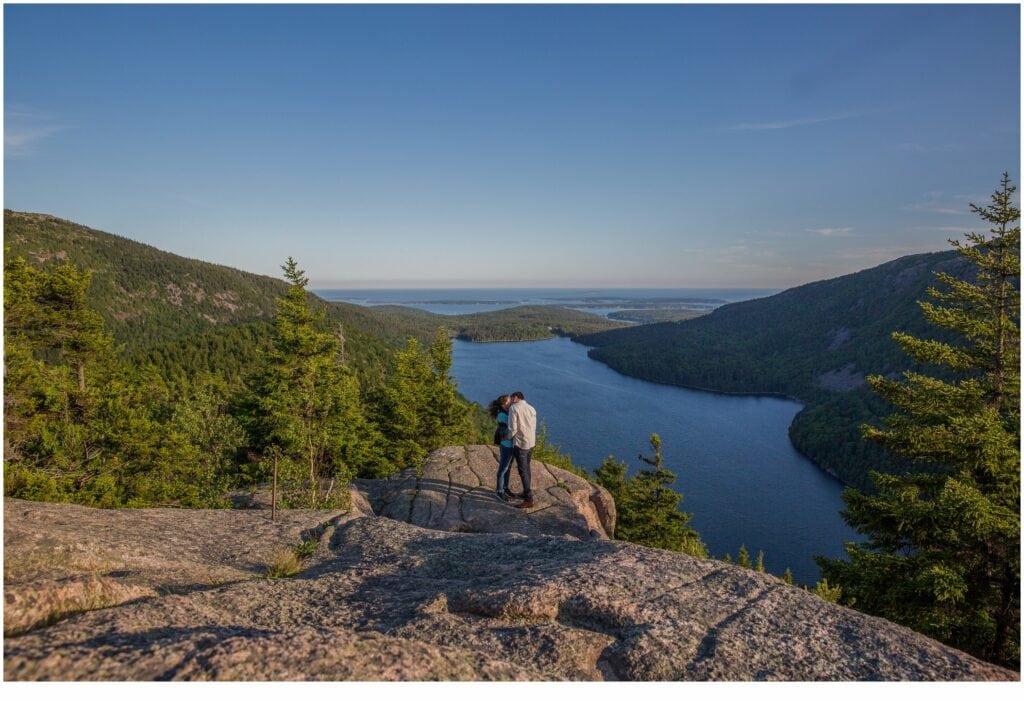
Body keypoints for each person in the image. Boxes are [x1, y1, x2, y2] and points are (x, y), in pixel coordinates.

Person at [507, 390, 537, 509]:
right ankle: (526, 492)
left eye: (511, 398)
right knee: (527, 468)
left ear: (516, 397)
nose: (510, 401)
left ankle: (528, 499)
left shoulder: (514, 408)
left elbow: (512, 427)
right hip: (531, 442)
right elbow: (533, 426)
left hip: (520, 443)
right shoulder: (531, 408)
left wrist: (508, 438)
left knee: (523, 471)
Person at [487, 394, 516, 503]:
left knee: (508, 468)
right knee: (503, 468)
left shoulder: (507, 412)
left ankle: (505, 487)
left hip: (511, 444)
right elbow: (513, 425)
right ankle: (499, 491)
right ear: (504, 404)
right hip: (506, 445)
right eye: (509, 401)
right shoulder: (502, 415)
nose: (512, 402)